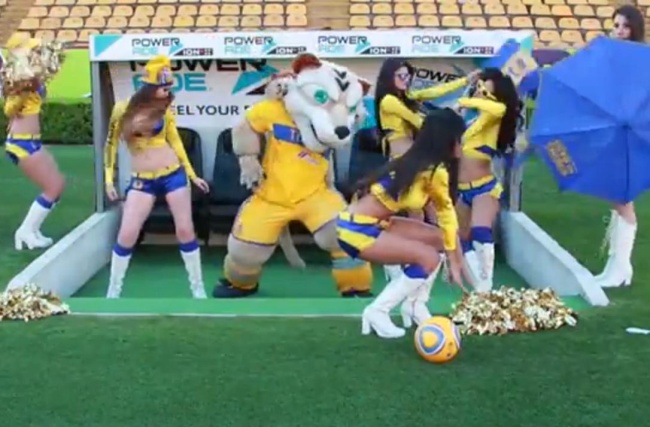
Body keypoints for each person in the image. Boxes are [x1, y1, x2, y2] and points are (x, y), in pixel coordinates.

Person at [336, 109, 467, 339]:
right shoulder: (429, 170)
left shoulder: (421, 165)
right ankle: (378, 311)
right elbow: (447, 216)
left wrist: (455, 260)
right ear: (448, 140)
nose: (463, 145)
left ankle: (415, 305)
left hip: (377, 224)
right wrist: (455, 263)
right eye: (460, 138)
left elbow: (445, 219)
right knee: (428, 258)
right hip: (356, 230)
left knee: (438, 240)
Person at [103, 55, 210, 299]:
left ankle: (197, 288)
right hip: (142, 179)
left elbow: (175, 141)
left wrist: (192, 175)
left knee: (185, 229)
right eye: (163, 87)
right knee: (127, 233)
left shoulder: (165, 109)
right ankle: (114, 291)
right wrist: (109, 179)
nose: (167, 92)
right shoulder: (122, 109)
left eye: (169, 87)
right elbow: (110, 144)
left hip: (173, 174)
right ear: (149, 87)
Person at [373, 58, 480, 281]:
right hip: (403, 161)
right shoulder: (389, 101)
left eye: (407, 76)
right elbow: (421, 123)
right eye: (400, 76)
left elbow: (434, 92)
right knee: (418, 210)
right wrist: (450, 116)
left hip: (414, 160)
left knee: (428, 209)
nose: (405, 80)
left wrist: (465, 81)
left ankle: (433, 259)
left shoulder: (405, 97)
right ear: (389, 77)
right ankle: (411, 260)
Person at [455, 68, 520, 293]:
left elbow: (499, 108)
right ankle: (478, 287)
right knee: (460, 238)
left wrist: (466, 101)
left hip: (484, 188)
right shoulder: (473, 117)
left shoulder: (494, 113)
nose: (480, 90)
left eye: (485, 89)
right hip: (462, 190)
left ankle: (487, 286)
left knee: (480, 231)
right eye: (479, 86)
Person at [596, 4, 645, 288]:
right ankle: (615, 266)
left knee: (623, 198)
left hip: (632, 132)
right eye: (616, 25)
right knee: (616, 197)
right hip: (616, 130)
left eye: (625, 26)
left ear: (635, 29)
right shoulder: (612, 56)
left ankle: (622, 268)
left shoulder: (640, 58)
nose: (620, 31)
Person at [4, 34, 66, 250]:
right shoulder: (17, 81)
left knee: (58, 184)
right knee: (52, 187)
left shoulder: (30, 77)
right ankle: (25, 231)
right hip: (21, 143)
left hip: (32, 141)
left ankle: (32, 229)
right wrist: (22, 92)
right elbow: (9, 110)